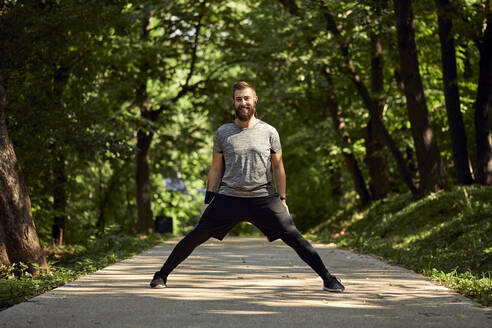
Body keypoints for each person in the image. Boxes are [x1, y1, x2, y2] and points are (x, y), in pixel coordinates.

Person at [150, 81, 345, 292]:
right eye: (238, 99)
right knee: (195, 235)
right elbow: (215, 170)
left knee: (294, 236)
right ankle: (161, 275)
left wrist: (283, 199)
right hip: (229, 197)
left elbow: (278, 168)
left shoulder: (270, 132)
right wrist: (208, 201)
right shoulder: (223, 133)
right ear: (233, 102)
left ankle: (328, 278)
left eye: (246, 98)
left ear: (255, 100)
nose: (243, 102)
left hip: (263, 197)